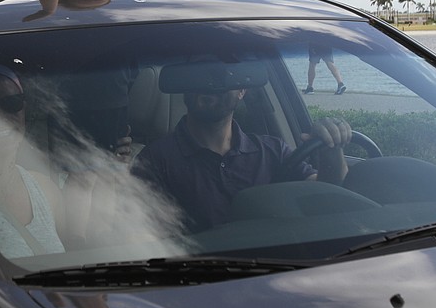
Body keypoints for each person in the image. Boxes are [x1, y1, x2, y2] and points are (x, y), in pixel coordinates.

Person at [131, 61, 351, 233]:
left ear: (242, 90)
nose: (213, 83)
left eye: (225, 75)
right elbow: (143, 238)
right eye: (201, 75)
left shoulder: (273, 150)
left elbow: (325, 192)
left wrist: (331, 148)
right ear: (184, 86)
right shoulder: (153, 161)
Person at [0, 65, 66, 258]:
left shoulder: (46, 190)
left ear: (24, 110)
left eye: (12, 103)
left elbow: (78, 260)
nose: (1, 116)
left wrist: (116, 173)